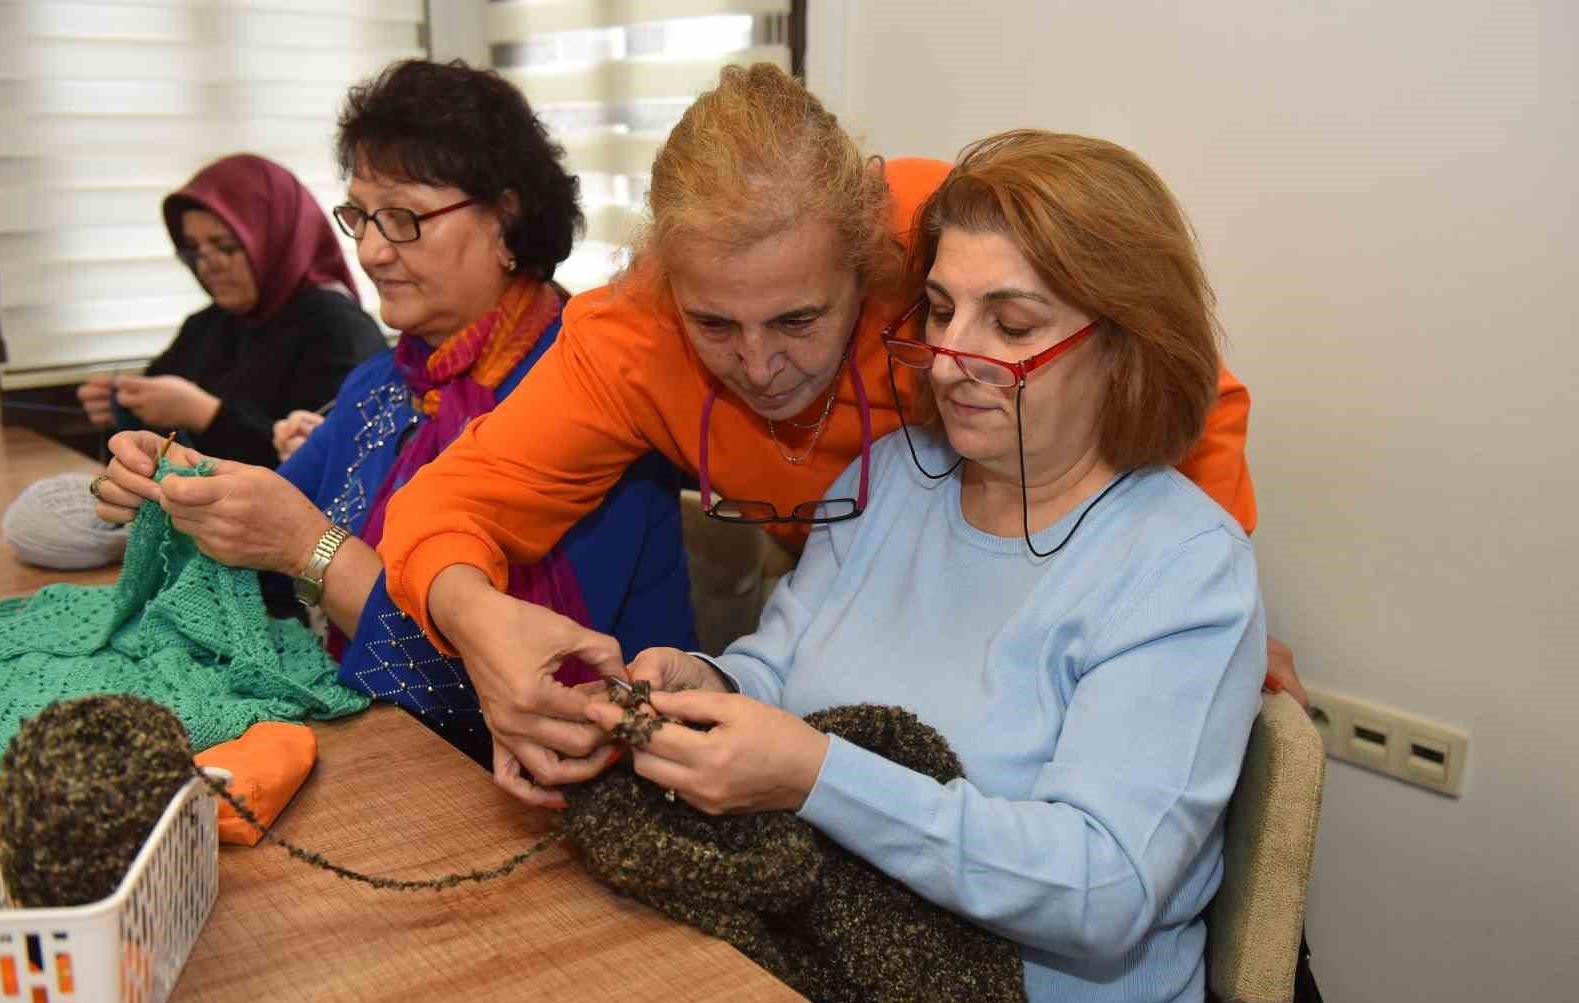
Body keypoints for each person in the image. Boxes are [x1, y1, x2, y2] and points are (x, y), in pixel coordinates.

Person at [374, 63, 1265, 808]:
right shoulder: (628, 337)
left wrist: (1178, 622)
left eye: (800, 319)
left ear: (873, 267)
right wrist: (481, 625)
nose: (761, 367)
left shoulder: (938, 242)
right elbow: (442, 508)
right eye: (715, 326)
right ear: (665, 284)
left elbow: (1179, 386)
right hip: (848, 610)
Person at [588, 129, 1265, 1003]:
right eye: (941, 310)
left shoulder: (1183, 568)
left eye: (1011, 327)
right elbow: (778, 668)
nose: (948, 360)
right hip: (820, 991)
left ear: (1125, 343)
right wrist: (702, 682)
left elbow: (1104, 893)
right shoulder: (890, 479)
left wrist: (819, 776)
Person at [89, 60, 697, 768]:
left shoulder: (591, 399)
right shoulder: (388, 381)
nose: (372, 251)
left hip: (557, 784)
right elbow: (269, 526)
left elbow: (532, 694)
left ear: (506, 219)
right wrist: (180, 486)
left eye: (403, 218)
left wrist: (308, 548)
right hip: (388, 749)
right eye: (360, 217)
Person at [76, 154, 383, 469]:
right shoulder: (208, 324)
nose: (208, 265)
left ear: (273, 240)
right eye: (193, 249)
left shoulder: (338, 329)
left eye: (225, 246)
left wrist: (205, 414)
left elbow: (332, 465)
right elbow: (157, 415)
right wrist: (124, 404)